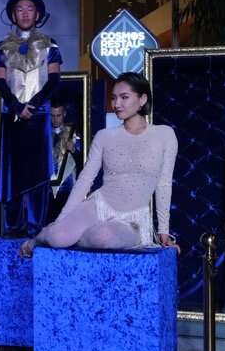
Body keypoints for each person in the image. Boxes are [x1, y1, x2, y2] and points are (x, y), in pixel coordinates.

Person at [21, 72, 177, 254]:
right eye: (114, 98)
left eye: (124, 97)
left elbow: (164, 183)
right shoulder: (105, 136)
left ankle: (75, 236)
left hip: (132, 220)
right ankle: (39, 239)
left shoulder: (165, 135)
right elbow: (85, 180)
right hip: (98, 206)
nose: (116, 104)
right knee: (58, 237)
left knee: (102, 237)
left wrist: (164, 231)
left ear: (142, 99)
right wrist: (62, 220)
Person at [0, 0, 63, 237]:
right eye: (20, 8)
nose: (24, 13)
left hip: (39, 116)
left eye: (30, 8)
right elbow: (0, 82)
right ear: (13, 14)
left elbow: (54, 80)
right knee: (12, 175)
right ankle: (12, 230)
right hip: (12, 118)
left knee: (37, 175)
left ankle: (36, 231)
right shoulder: (1, 47)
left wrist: (32, 106)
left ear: (38, 14)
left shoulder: (50, 45)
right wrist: (16, 107)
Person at [46, 102, 82, 223]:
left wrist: (74, 150)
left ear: (64, 113)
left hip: (67, 189)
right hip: (46, 190)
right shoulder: (43, 133)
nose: (55, 119)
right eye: (52, 115)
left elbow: (84, 161)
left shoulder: (73, 133)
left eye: (58, 115)